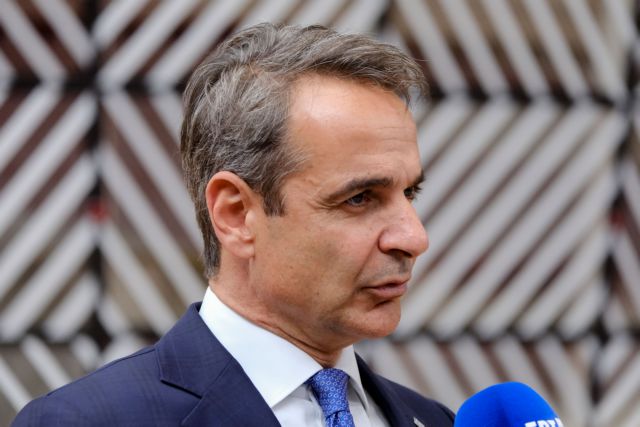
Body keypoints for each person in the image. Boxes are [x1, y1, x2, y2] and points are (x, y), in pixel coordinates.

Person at [13, 23, 454, 426]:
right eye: (359, 198)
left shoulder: (436, 420)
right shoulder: (87, 421)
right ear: (236, 214)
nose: (414, 237)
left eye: (409, 193)